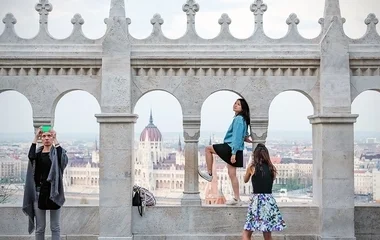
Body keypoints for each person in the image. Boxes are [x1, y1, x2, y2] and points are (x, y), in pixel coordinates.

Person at [198, 98, 252, 205]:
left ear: (242, 109)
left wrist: (233, 153)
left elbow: (236, 137)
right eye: (235, 103)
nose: (235, 105)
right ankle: (237, 199)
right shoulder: (243, 120)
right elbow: (243, 136)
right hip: (237, 149)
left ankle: (209, 174)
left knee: (208, 149)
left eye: (238, 105)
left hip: (230, 148)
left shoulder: (238, 119)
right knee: (232, 174)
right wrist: (249, 141)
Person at [22, 127, 68, 240]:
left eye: (49, 136)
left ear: (52, 138)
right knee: (40, 227)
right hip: (38, 192)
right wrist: (35, 137)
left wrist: (56, 139)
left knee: (55, 227)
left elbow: (62, 158)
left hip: (54, 192)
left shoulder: (55, 154)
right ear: (41, 139)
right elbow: (30, 156)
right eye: (44, 136)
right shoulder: (37, 154)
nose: (46, 138)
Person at [242, 143, 286, 240]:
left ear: (255, 155)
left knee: (247, 232)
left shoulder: (252, 168)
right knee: (267, 234)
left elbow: (245, 180)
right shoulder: (272, 169)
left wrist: (249, 164)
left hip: (257, 201)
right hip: (269, 201)